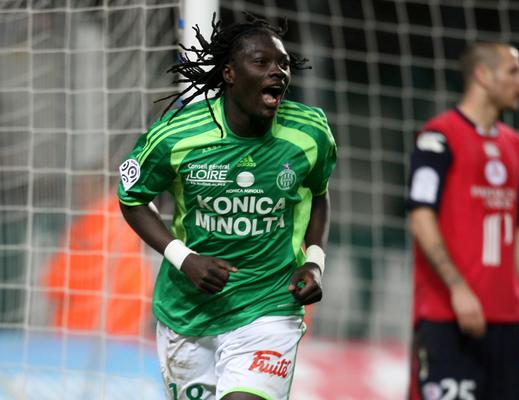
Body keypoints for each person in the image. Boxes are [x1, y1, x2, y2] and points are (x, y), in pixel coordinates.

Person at [117, 12, 336, 400]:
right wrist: (185, 259)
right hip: (189, 311)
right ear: (230, 74)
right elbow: (131, 198)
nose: (278, 72)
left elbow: (319, 194)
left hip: (268, 306)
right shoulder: (178, 135)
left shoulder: (309, 132)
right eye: (262, 62)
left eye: (284, 64)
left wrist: (314, 261)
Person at [406, 42, 519, 400]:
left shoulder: (515, 143)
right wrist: (458, 288)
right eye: (513, 71)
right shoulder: (438, 137)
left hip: (505, 321)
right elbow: (420, 216)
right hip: (447, 316)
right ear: (483, 75)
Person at [43, 188, 153, 337]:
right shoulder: (129, 216)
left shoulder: (87, 226)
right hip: (123, 334)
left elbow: (54, 285)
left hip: (78, 334)